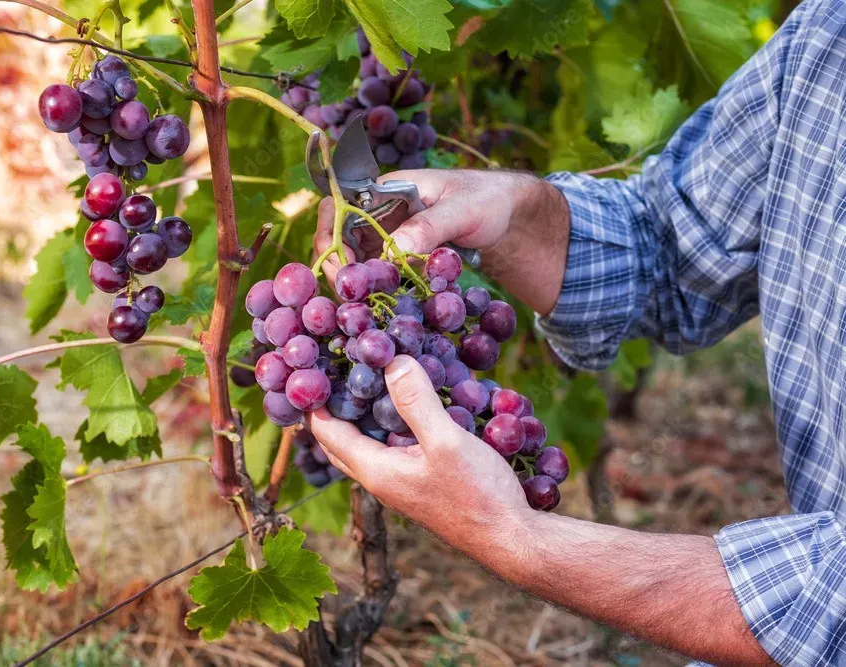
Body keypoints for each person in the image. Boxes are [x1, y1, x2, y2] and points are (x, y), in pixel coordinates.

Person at [310, 1, 846, 664]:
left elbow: (833, 615)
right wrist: (511, 213)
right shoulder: (829, 36)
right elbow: (672, 248)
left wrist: (519, 539)